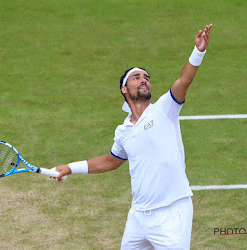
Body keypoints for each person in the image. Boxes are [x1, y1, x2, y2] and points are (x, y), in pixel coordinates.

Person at [54, 24, 213, 249]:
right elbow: (110, 161)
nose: (143, 80)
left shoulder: (164, 109)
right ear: (124, 89)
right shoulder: (123, 131)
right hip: (138, 216)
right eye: (136, 78)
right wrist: (70, 167)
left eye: (146, 77)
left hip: (173, 211)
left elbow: (183, 81)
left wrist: (198, 51)